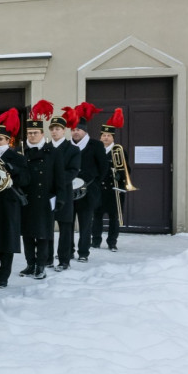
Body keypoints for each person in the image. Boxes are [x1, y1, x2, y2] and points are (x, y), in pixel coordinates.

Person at [0, 110, 29, 288]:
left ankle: (4, 277)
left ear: (8, 141)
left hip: (9, 202)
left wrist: (12, 170)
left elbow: (26, 180)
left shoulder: (17, 157)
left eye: (0, 139)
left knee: (7, 241)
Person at [18, 103, 64, 281]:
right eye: (29, 133)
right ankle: (30, 264)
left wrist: (60, 197)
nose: (32, 135)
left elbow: (60, 176)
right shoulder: (22, 152)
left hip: (45, 199)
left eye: (35, 133)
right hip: (27, 199)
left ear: (42, 135)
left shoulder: (52, 152)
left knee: (43, 234)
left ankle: (41, 266)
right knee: (28, 234)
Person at [71, 103, 108, 263]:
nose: (75, 132)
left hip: (88, 191)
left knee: (85, 224)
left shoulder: (96, 145)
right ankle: (68, 250)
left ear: (84, 130)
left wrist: (94, 183)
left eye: (78, 129)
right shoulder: (67, 145)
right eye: (73, 129)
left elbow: (104, 167)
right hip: (69, 191)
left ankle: (83, 252)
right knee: (67, 224)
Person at [46, 108, 81, 271]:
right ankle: (47, 258)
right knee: (46, 227)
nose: (54, 132)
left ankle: (64, 259)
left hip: (64, 193)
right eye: (52, 129)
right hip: (47, 193)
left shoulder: (72, 149)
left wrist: (55, 181)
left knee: (65, 228)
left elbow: (73, 171)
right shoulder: (45, 148)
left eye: (57, 129)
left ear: (64, 130)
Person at [93, 108, 128, 252]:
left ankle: (112, 242)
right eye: (103, 135)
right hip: (99, 189)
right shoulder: (96, 149)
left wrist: (120, 176)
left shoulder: (120, 151)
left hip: (114, 190)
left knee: (114, 218)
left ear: (113, 137)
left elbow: (127, 169)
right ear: (100, 137)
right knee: (96, 217)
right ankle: (95, 241)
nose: (106, 138)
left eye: (108, 135)